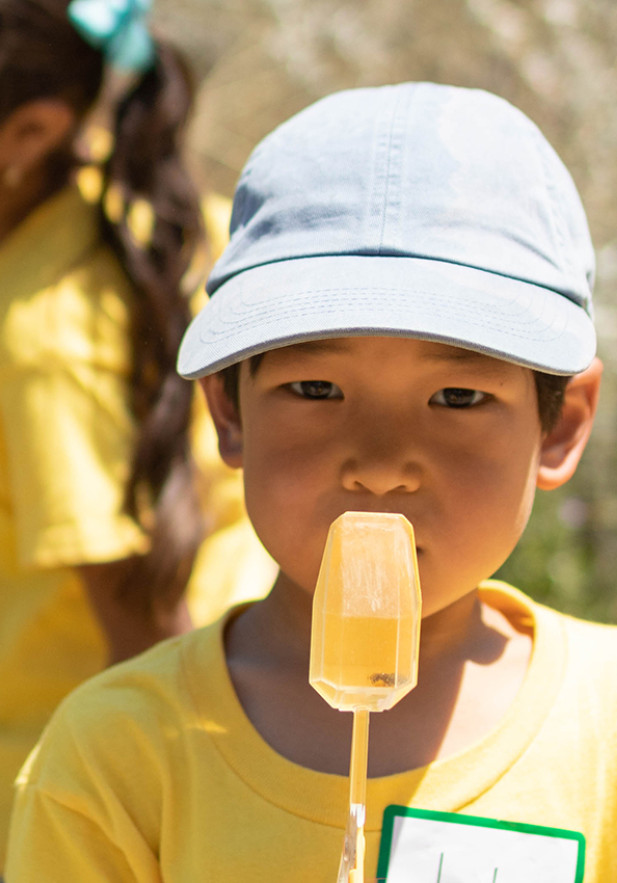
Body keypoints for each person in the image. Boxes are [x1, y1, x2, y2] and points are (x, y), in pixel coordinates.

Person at [7, 81, 617, 883]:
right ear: (228, 412)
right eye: (314, 390)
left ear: (560, 423)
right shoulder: (119, 758)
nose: (379, 464)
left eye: (458, 397)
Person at [0, 0, 273, 867]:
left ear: (31, 130)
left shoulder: (47, 338)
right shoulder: (166, 222)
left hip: (91, 805)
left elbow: (143, 615)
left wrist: (196, 825)